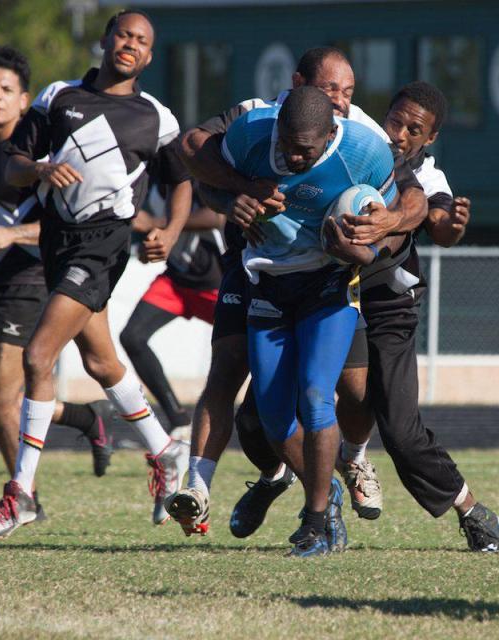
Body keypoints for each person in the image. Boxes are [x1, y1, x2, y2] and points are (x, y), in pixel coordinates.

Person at [231, 81, 499, 553]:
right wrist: (239, 195)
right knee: (258, 417)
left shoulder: (425, 177)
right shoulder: (359, 139)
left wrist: (392, 231)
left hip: (384, 303)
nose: (399, 133)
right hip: (322, 285)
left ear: (430, 138)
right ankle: (278, 477)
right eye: (396, 119)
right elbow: (204, 150)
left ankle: (467, 508)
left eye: (412, 129)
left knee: (394, 424)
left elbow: (431, 219)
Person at [167, 47, 426, 538]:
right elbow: (197, 157)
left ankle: (321, 511)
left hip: (327, 286)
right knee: (269, 411)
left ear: (333, 133)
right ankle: (290, 489)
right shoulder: (252, 126)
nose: (294, 157)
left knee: (322, 396)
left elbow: (407, 204)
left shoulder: (363, 145)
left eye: (347, 93)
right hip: (264, 281)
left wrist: (373, 236)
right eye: (331, 90)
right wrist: (236, 196)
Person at [0, 10, 191, 539]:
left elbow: (182, 180)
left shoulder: (155, 118)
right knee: (101, 361)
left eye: (142, 40)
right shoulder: (57, 97)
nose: (130, 44)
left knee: (37, 356)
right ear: (106, 40)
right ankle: (165, 452)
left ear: (149, 55)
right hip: (58, 243)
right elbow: (13, 164)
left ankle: (21, 492)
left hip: (103, 249)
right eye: (123, 34)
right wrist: (42, 169)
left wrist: (172, 229)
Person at [0, 46, 114, 509]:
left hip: (32, 278)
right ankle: (83, 417)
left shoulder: (38, 159)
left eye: (7, 89)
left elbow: (66, 224)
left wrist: (13, 235)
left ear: (25, 100)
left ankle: (24, 499)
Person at [121, 183, 224, 438]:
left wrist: (156, 222)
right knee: (132, 337)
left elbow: (217, 216)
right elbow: (148, 233)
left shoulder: (193, 177)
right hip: (176, 281)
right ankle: (178, 419)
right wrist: (148, 248)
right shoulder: (150, 182)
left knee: (251, 351)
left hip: (216, 282)